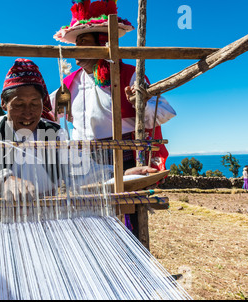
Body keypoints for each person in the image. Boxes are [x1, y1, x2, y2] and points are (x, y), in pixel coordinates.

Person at [51, 0, 176, 235]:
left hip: (124, 158)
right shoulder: (69, 84)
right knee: (91, 223)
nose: (76, 51)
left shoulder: (129, 75)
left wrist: (138, 104)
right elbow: (44, 110)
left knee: (128, 222)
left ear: (102, 44)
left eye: (84, 43)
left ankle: (133, 266)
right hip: (85, 165)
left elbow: (164, 112)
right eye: (76, 44)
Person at [0, 58, 157, 201]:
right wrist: (5, 180)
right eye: (19, 104)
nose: (28, 113)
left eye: (34, 104)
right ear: (4, 104)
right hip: (2, 223)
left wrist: (121, 176)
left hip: (46, 217)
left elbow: (82, 173)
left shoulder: (54, 133)